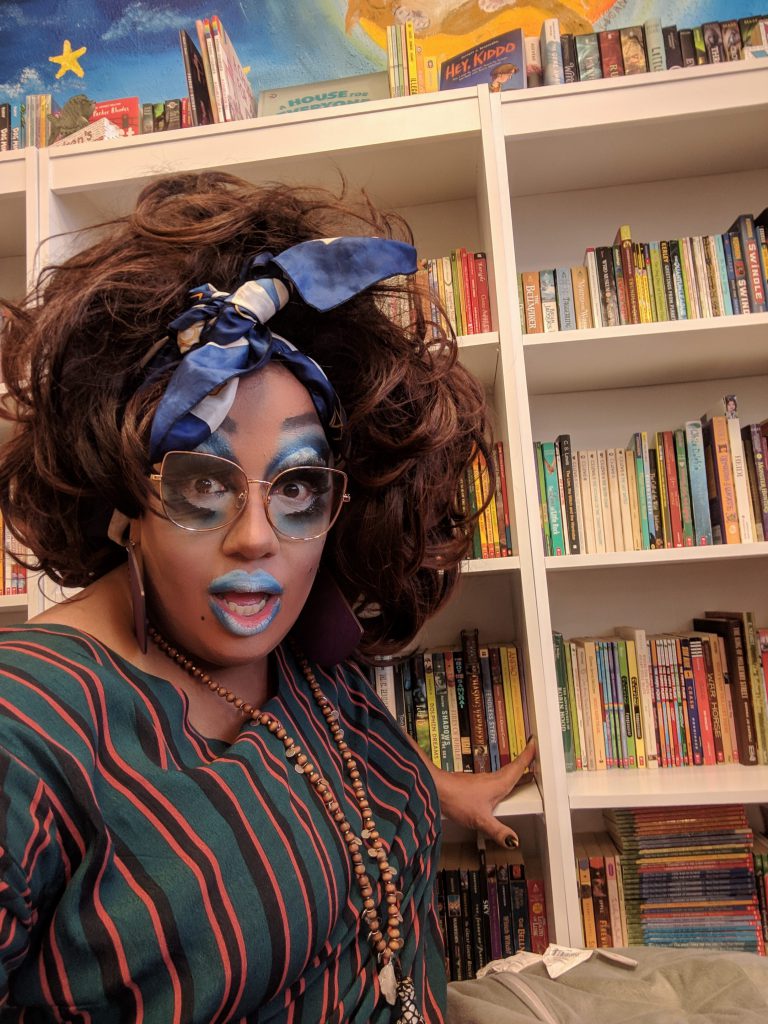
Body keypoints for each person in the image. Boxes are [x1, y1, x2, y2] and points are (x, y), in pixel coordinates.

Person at [0, 171, 534, 1022]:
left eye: (296, 488)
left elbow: (329, 777)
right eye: (203, 484)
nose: (255, 536)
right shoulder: (25, 725)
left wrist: (438, 789)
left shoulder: (299, 652)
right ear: (127, 501)